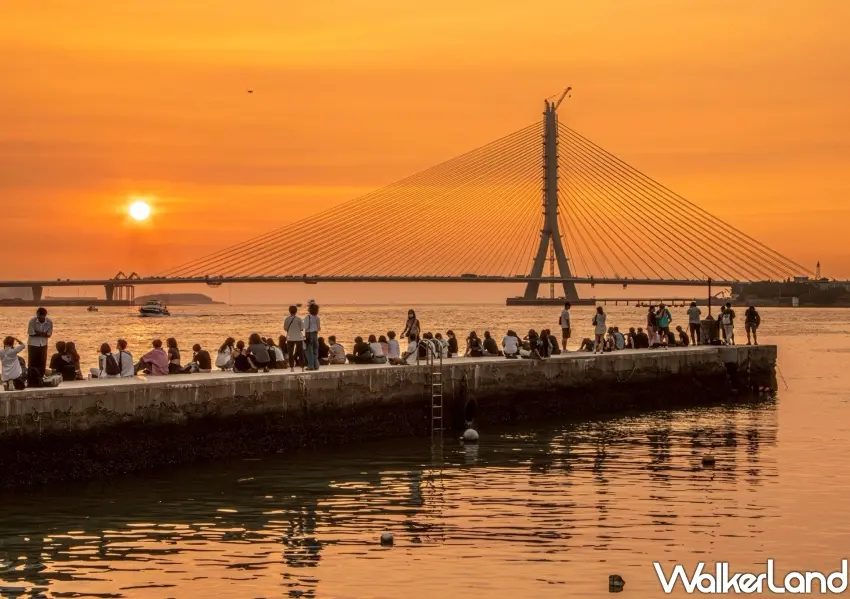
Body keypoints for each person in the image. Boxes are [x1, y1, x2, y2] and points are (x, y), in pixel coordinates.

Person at [26, 307, 53, 385]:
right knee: (32, 362)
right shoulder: (32, 321)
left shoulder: (49, 322)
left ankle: (41, 377)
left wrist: (38, 333)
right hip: (33, 344)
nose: (38, 318)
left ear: (44, 315)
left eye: (40, 316)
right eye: (37, 316)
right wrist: (42, 334)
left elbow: (49, 335)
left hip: (43, 344)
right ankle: (31, 378)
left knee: (42, 361)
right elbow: (31, 333)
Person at [284, 305, 305, 372]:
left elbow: (285, 328)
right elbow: (301, 328)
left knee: (290, 353)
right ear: (296, 311)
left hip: (290, 338)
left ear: (289, 311)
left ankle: (292, 368)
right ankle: (302, 367)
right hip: (299, 337)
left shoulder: (286, 319)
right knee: (300, 353)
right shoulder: (299, 319)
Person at [304, 303, 321, 371]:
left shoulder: (307, 317)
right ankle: (316, 365)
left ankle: (310, 366)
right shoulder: (317, 318)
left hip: (309, 334)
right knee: (315, 351)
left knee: (309, 351)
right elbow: (319, 328)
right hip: (315, 334)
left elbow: (306, 327)